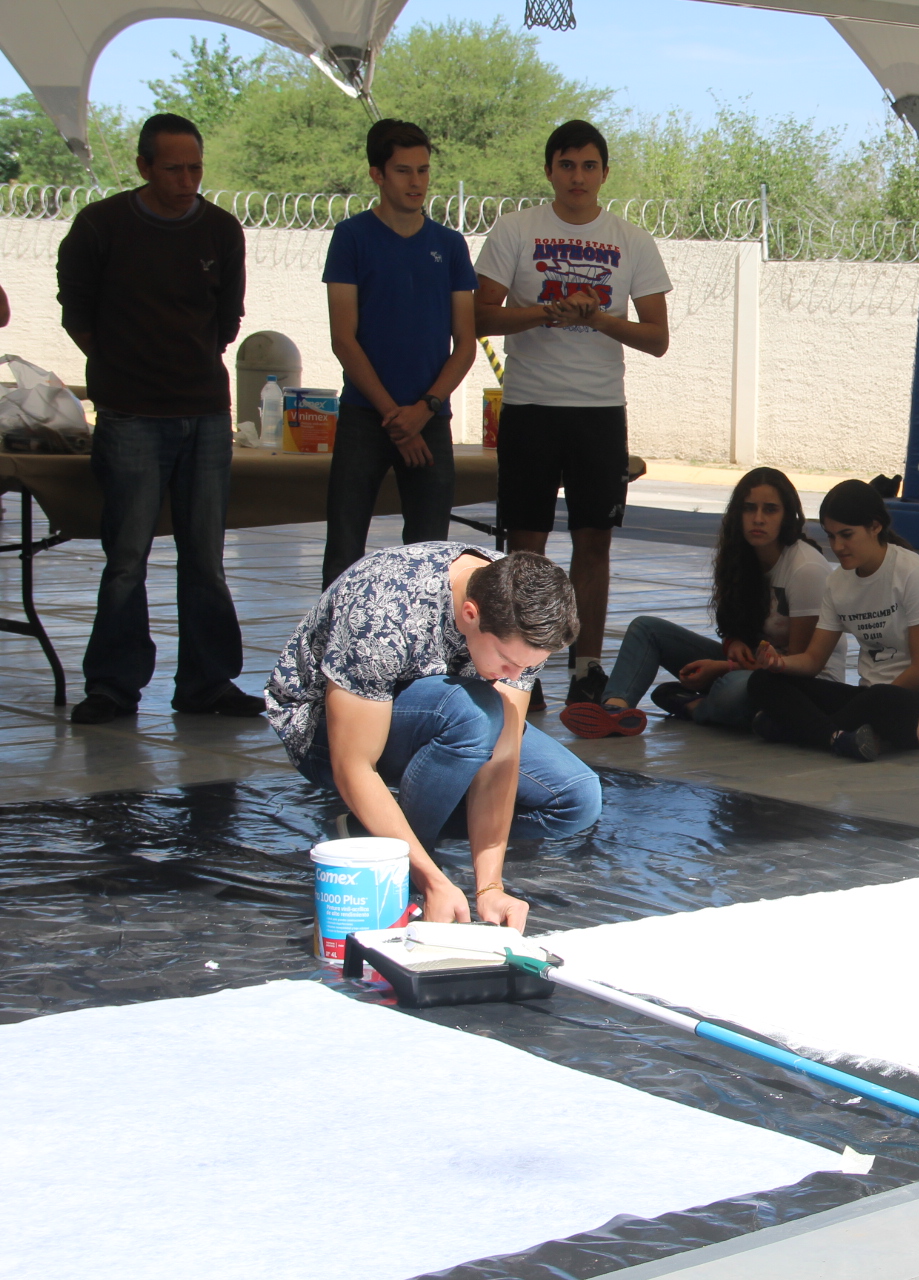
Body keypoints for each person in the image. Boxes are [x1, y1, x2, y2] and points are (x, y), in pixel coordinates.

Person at [265, 543, 603, 931]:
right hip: (327, 731)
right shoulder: (383, 606)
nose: (514, 675)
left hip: (449, 718)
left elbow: (501, 761)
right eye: (508, 662)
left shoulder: (521, 608)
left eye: (529, 666)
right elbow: (353, 765)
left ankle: (374, 830)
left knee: (576, 798)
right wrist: (430, 879)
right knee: (473, 715)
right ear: (470, 613)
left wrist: (490, 886)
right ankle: (406, 859)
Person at [55, 112, 259, 725]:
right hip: (130, 415)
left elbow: (226, 322)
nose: (186, 180)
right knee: (127, 558)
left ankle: (207, 681)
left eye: (196, 168)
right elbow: (77, 311)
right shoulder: (100, 227)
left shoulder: (221, 230)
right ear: (144, 167)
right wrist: (122, 369)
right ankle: (113, 686)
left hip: (201, 411)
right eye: (173, 169)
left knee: (206, 556)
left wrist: (187, 366)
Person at [475, 119, 672, 706]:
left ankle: (587, 668)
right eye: (567, 165)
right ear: (549, 171)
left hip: (599, 411)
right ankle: (519, 663)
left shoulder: (632, 240)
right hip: (531, 407)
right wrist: (546, 312)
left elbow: (657, 337)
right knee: (525, 545)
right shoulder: (514, 230)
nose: (578, 177)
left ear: (604, 173)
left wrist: (599, 319)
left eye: (589, 166)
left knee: (593, 542)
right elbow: (481, 317)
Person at [560, 467, 838, 738]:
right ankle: (614, 711)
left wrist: (722, 668)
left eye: (770, 509)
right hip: (751, 668)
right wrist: (734, 644)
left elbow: (795, 668)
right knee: (646, 629)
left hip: (796, 685)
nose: (758, 519)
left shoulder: (805, 569)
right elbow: (733, 625)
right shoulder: (739, 556)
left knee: (730, 689)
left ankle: (696, 707)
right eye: (749, 508)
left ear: (788, 515)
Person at [320, 118, 477, 587]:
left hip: (429, 417)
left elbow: (466, 343)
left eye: (424, 171)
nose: (416, 182)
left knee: (430, 558)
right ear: (377, 174)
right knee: (344, 547)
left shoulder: (449, 246)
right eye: (404, 171)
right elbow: (343, 339)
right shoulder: (351, 238)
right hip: (366, 417)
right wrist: (394, 417)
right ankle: (331, 652)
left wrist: (424, 409)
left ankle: (418, 657)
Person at [747, 479, 919, 760]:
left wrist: (864, 706)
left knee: (879, 698)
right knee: (762, 681)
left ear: (875, 527)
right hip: (867, 698)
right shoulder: (837, 583)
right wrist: (779, 663)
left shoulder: (912, 574)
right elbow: (813, 660)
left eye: (846, 535)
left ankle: (808, 730)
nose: (838, 546)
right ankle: (837, 737)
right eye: (831, 536)